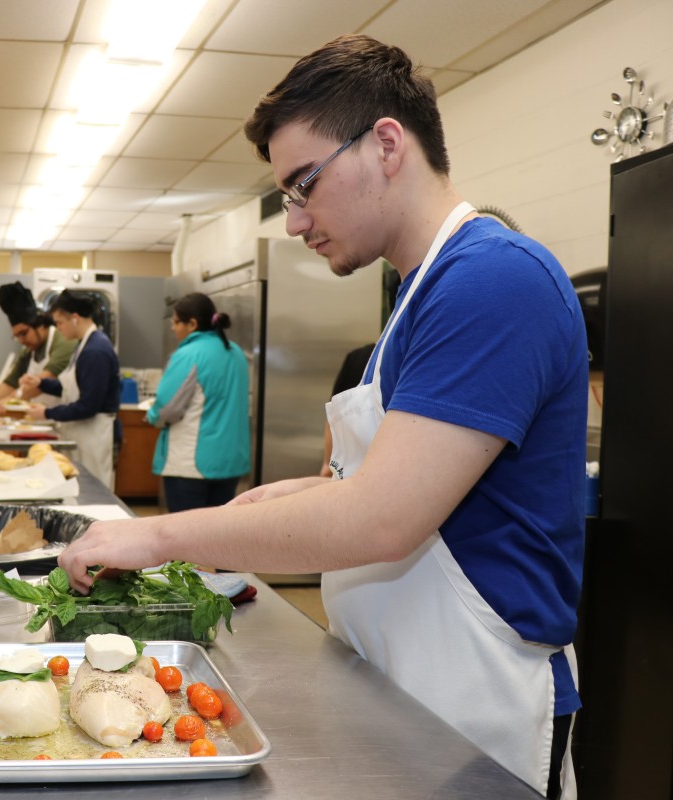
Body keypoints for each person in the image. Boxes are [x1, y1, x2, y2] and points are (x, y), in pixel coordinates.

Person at [59, 34, 587, 800]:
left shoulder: (494, 281)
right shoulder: (418, 296)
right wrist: (296, 496)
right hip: (399, 687)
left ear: (385, 144)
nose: (296, 222)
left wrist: (157, 535)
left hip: (478, 705)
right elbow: (380, 482)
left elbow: (382, 519)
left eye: (303, 185)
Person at [150, 293, 250, 511]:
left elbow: (167, 408)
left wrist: (152, 417)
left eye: (176, 322)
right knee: (216, 537)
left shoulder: (189, 354)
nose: (172, 328)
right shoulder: (236, 353)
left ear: (192, 324)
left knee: (184, 537)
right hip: (230, 462)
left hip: (192, 466)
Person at [20, 289, 121, 489]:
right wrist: (41, 383)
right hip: (83, 433)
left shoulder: (96, 351)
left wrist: (47, 413)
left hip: (94, 435)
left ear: (75, 318)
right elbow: (72, 388)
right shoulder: (83, 346)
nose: (58, 329)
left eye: (59, 323)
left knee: (94, 490)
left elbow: (88, 405)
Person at [0, 282, 76, 408]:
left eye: (23, 333)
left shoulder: (63, 342)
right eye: (17, 336)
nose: (21, 340)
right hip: (39, 416)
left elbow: (42, 383)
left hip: (61, 415)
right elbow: (11, 383)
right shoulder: (28, 352)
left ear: (40, 325)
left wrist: (7, 401)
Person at [320, 342, 376, 477]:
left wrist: (327, 467)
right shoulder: (359, 359)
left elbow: (333, 422)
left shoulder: (361, 358)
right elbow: (334, 419)